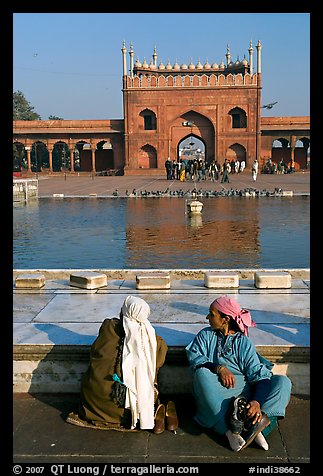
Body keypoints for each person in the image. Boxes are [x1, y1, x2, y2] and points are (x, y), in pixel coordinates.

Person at [185, 296, 292, 452]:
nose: (207, 317)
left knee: (283, 382)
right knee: (201, 374)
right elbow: (194, 357)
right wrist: (219, 368)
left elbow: (259, 375)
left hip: (245, 391)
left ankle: (257, 425)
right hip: (216, 392)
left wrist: (256, 401)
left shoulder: (243, 342)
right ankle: (230, 431)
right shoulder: (205, 336)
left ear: (225, 319)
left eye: (211, 314)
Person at [66, 295, 168, 432]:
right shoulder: (154, 341)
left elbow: (95, 351)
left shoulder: (108, 327)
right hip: (125, 413)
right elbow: (160, 356)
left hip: (94, 404)